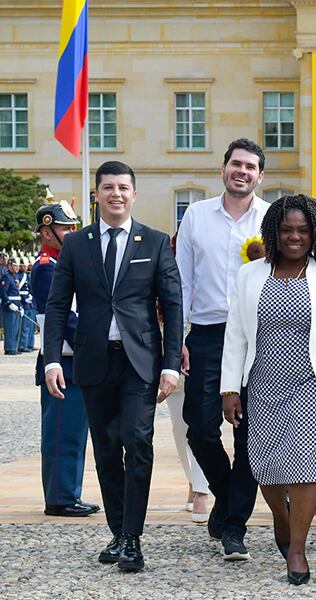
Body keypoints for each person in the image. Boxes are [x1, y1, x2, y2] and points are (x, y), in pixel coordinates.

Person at [43, 160, 183, 572]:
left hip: (140, 362)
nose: (116, 194)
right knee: (105, 448)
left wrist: (171, 363)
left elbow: (173, 306)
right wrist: (52, 358)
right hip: (93, 361)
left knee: (137, 442)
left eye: (123, 187)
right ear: (98, 194)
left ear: (134, 195)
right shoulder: (77, 245)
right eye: (108, 187)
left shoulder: (155, 243)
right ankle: (118, 532)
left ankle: (133, 538)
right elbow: (55, 306)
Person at [220, 194, 316, 585]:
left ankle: (297, 548)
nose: (294, 237)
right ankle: (282, 517)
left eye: (302, 230)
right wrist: (229, 388)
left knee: (305, 469)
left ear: (315, 233)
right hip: (262, 383)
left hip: (314, 386)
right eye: (286, 229)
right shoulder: (251, 275)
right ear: (273, 232)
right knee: (265, 469)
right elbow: (236, 336)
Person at [176, 138, 268, 560]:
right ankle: (227, 491)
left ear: (260, 176)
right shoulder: (196, 216)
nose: (242, 171)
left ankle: (234, 525)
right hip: (209, 333)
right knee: (199, 425)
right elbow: (182, 282)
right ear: (223, 168)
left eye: (250, 166)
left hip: (258, 337)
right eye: (236, 164)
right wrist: (178, 338)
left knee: (251, 434)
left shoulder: (271, 219)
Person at [32, 201, 99, 518]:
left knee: (74, 431)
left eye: (73, 227)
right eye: (63, 228)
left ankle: (68, 493)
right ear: (47, 232)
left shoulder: (65, 262)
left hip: (76, 357)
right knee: (62, 431)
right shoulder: (47, 267)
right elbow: (60, 319)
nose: (71, 232)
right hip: (63, 359)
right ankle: (59, 497)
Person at [165, 232, 210, 522]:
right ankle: (194, 483)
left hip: (205, 348)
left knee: (202, 424)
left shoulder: (211, 271)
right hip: (172, 350)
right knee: (179, 427)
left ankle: (203, 490)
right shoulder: (166, 271)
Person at [1, 257, 22, 355]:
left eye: (17, 266)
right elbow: (3, 292)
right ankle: (9, 348)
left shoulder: (13, 277)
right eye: (14, 265)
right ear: (9, 265)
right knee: (10, 328)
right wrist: (9, 304)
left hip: (16, 305)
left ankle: (13, 347)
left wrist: (20, 306)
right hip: (9, 307)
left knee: (15, 328)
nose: (17, 267)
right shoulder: (6, 277)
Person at [16, 256, 36, 352]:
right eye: (23, 266)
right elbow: (17, 290)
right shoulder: (19, 276)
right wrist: (24, 299)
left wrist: (31, 296)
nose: (25, 267)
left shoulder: (27, 275)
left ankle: (29, 344)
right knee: (25, 327)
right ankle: (23, 345)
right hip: (24, 303)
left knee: (31, 327)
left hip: (30, 303)